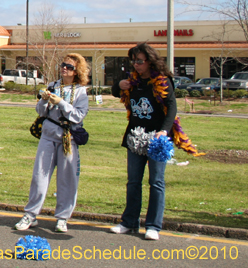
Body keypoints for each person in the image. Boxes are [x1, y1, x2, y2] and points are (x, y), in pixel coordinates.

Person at [110, 42, 203, 241]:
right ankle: (129, 222)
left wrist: (163, 131)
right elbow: (116, 92)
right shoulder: (132, 80)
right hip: (135, 138)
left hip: (156, 140)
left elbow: (172, 108)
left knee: (156, 182)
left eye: (140, 61)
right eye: (133, 61)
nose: (136, 65)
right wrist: (118, 86)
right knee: (133, 182)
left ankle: (153, 226)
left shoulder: (162, 81)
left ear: (150, 61)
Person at [14, 54, 89, 233]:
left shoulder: (80, 91)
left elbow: (78, 115)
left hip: (68, 139)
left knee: (67, 179)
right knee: (39, 176)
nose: (64, 68)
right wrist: (43, 100)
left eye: (69, 67)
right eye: (63, 65)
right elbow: (41, 112)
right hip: (48, 136)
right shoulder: (53, 86)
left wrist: (61, 103)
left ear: (77, 71)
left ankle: (62, 218)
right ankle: (31, 214)